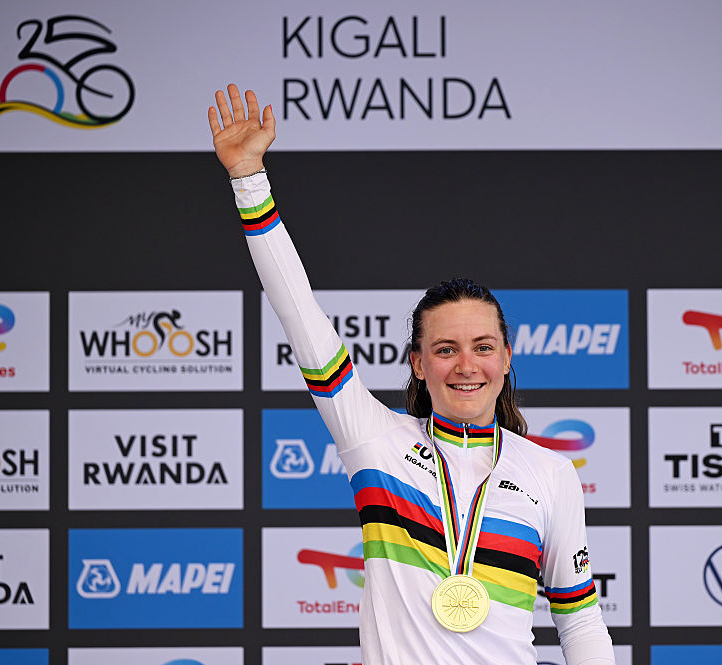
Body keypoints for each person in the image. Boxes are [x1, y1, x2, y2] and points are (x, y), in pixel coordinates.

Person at [209, 83, 615, 665]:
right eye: (445, 349)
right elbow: (299, 313)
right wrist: (249, 180)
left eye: (482, 347)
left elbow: (580, 626)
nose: (466, 365)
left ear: (507, 357)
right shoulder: (374, 441)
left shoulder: (549, 474)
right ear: (418, 365)